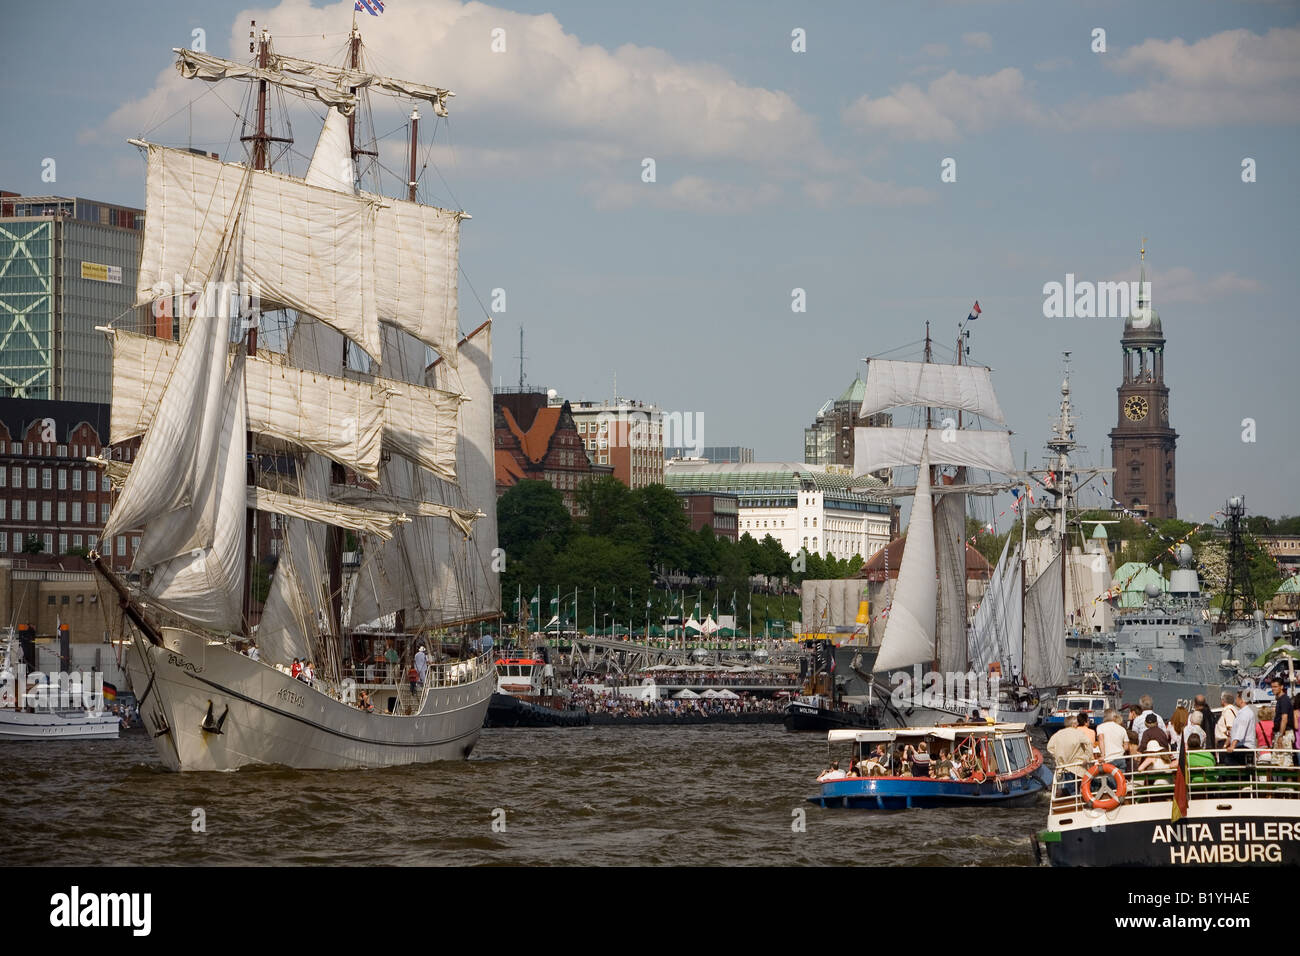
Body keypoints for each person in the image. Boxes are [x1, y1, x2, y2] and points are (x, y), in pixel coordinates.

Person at [1047, 719, 1093, 795]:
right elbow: (1089, 743)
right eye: (1077, 724)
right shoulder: (1078, 733)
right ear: (1073, 724)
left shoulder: (1058, 734)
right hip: (1078, 766)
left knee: (1070, 789)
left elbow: (1049, 747)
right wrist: (1087, 756)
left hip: (1064, 766)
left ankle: (1069, 801)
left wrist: (1058, 756)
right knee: (1081, 788)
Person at [1224, 694, 1257, 767]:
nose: (1236, 700)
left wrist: (1232, 745)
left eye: (1237, 698)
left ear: (1241, 700)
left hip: (1244, 747)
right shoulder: (1243, 712)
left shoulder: (1245, 713)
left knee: (1230, 764)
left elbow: (1241, 730)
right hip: (1241, 746)